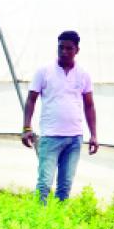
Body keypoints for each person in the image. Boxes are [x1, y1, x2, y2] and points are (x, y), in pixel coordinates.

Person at [22, 30, 98, 203]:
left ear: (77, 50)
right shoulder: (44, 71)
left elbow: (89, 105)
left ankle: (58, 221)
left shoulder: (83, 74)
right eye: (60, 48)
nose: (64, 52)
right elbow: (31, 100)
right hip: (50, 137)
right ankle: (38, 221)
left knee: (65, 186)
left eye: (69, 48)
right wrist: (27, 128)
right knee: (44, 184)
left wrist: (93, 135)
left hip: (74, 138)